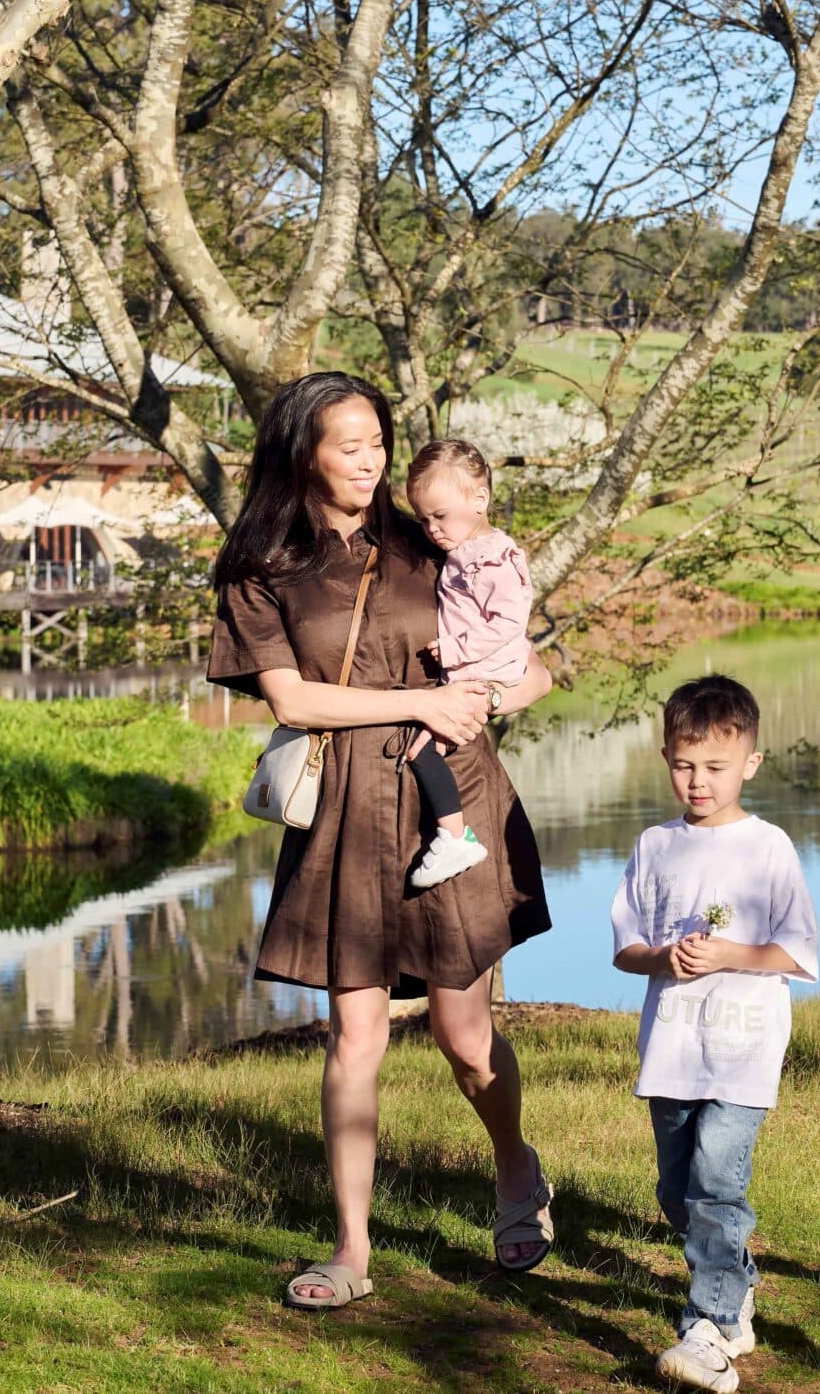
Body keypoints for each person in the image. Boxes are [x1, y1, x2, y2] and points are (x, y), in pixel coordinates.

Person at [207, 371, 559, 1312]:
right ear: (303, 452)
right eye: (349, 444)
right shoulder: (261, 566)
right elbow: (290, 699)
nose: (369, 460)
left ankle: (517, 1168)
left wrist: (483, 699)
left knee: (462, 1030)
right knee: (353, 1029)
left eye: (377, 442)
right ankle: (353, 1247)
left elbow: (535, 664)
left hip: (451, 800)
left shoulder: (428, 536)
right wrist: (417, 699)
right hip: (344, 812)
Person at [611, 675, 818, 1394]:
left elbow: (796, 952)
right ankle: (736, 1290)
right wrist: (663, 956)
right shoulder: (655, 845)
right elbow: (625, 946)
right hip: (672, 1051)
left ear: (750, 764)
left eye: (715, 767)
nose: (697, 781)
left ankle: (705, 1327)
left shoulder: (770, 848)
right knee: (677, 1190)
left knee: (716, 1184)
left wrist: (731, 955)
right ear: (666, 756)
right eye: (683, 764)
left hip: (743, 1052)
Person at [403, 440, 537, 889]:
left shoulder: (494, 557)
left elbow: (510, 621)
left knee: (422, 751)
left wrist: (456, 648)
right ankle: (455, 834)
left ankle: (454, 837)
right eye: (423, 519)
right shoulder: (466, 551)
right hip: (475, 670)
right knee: (425, 751)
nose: (432, 529)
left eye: (440, 516)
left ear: (479, 500)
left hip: (485, 670)